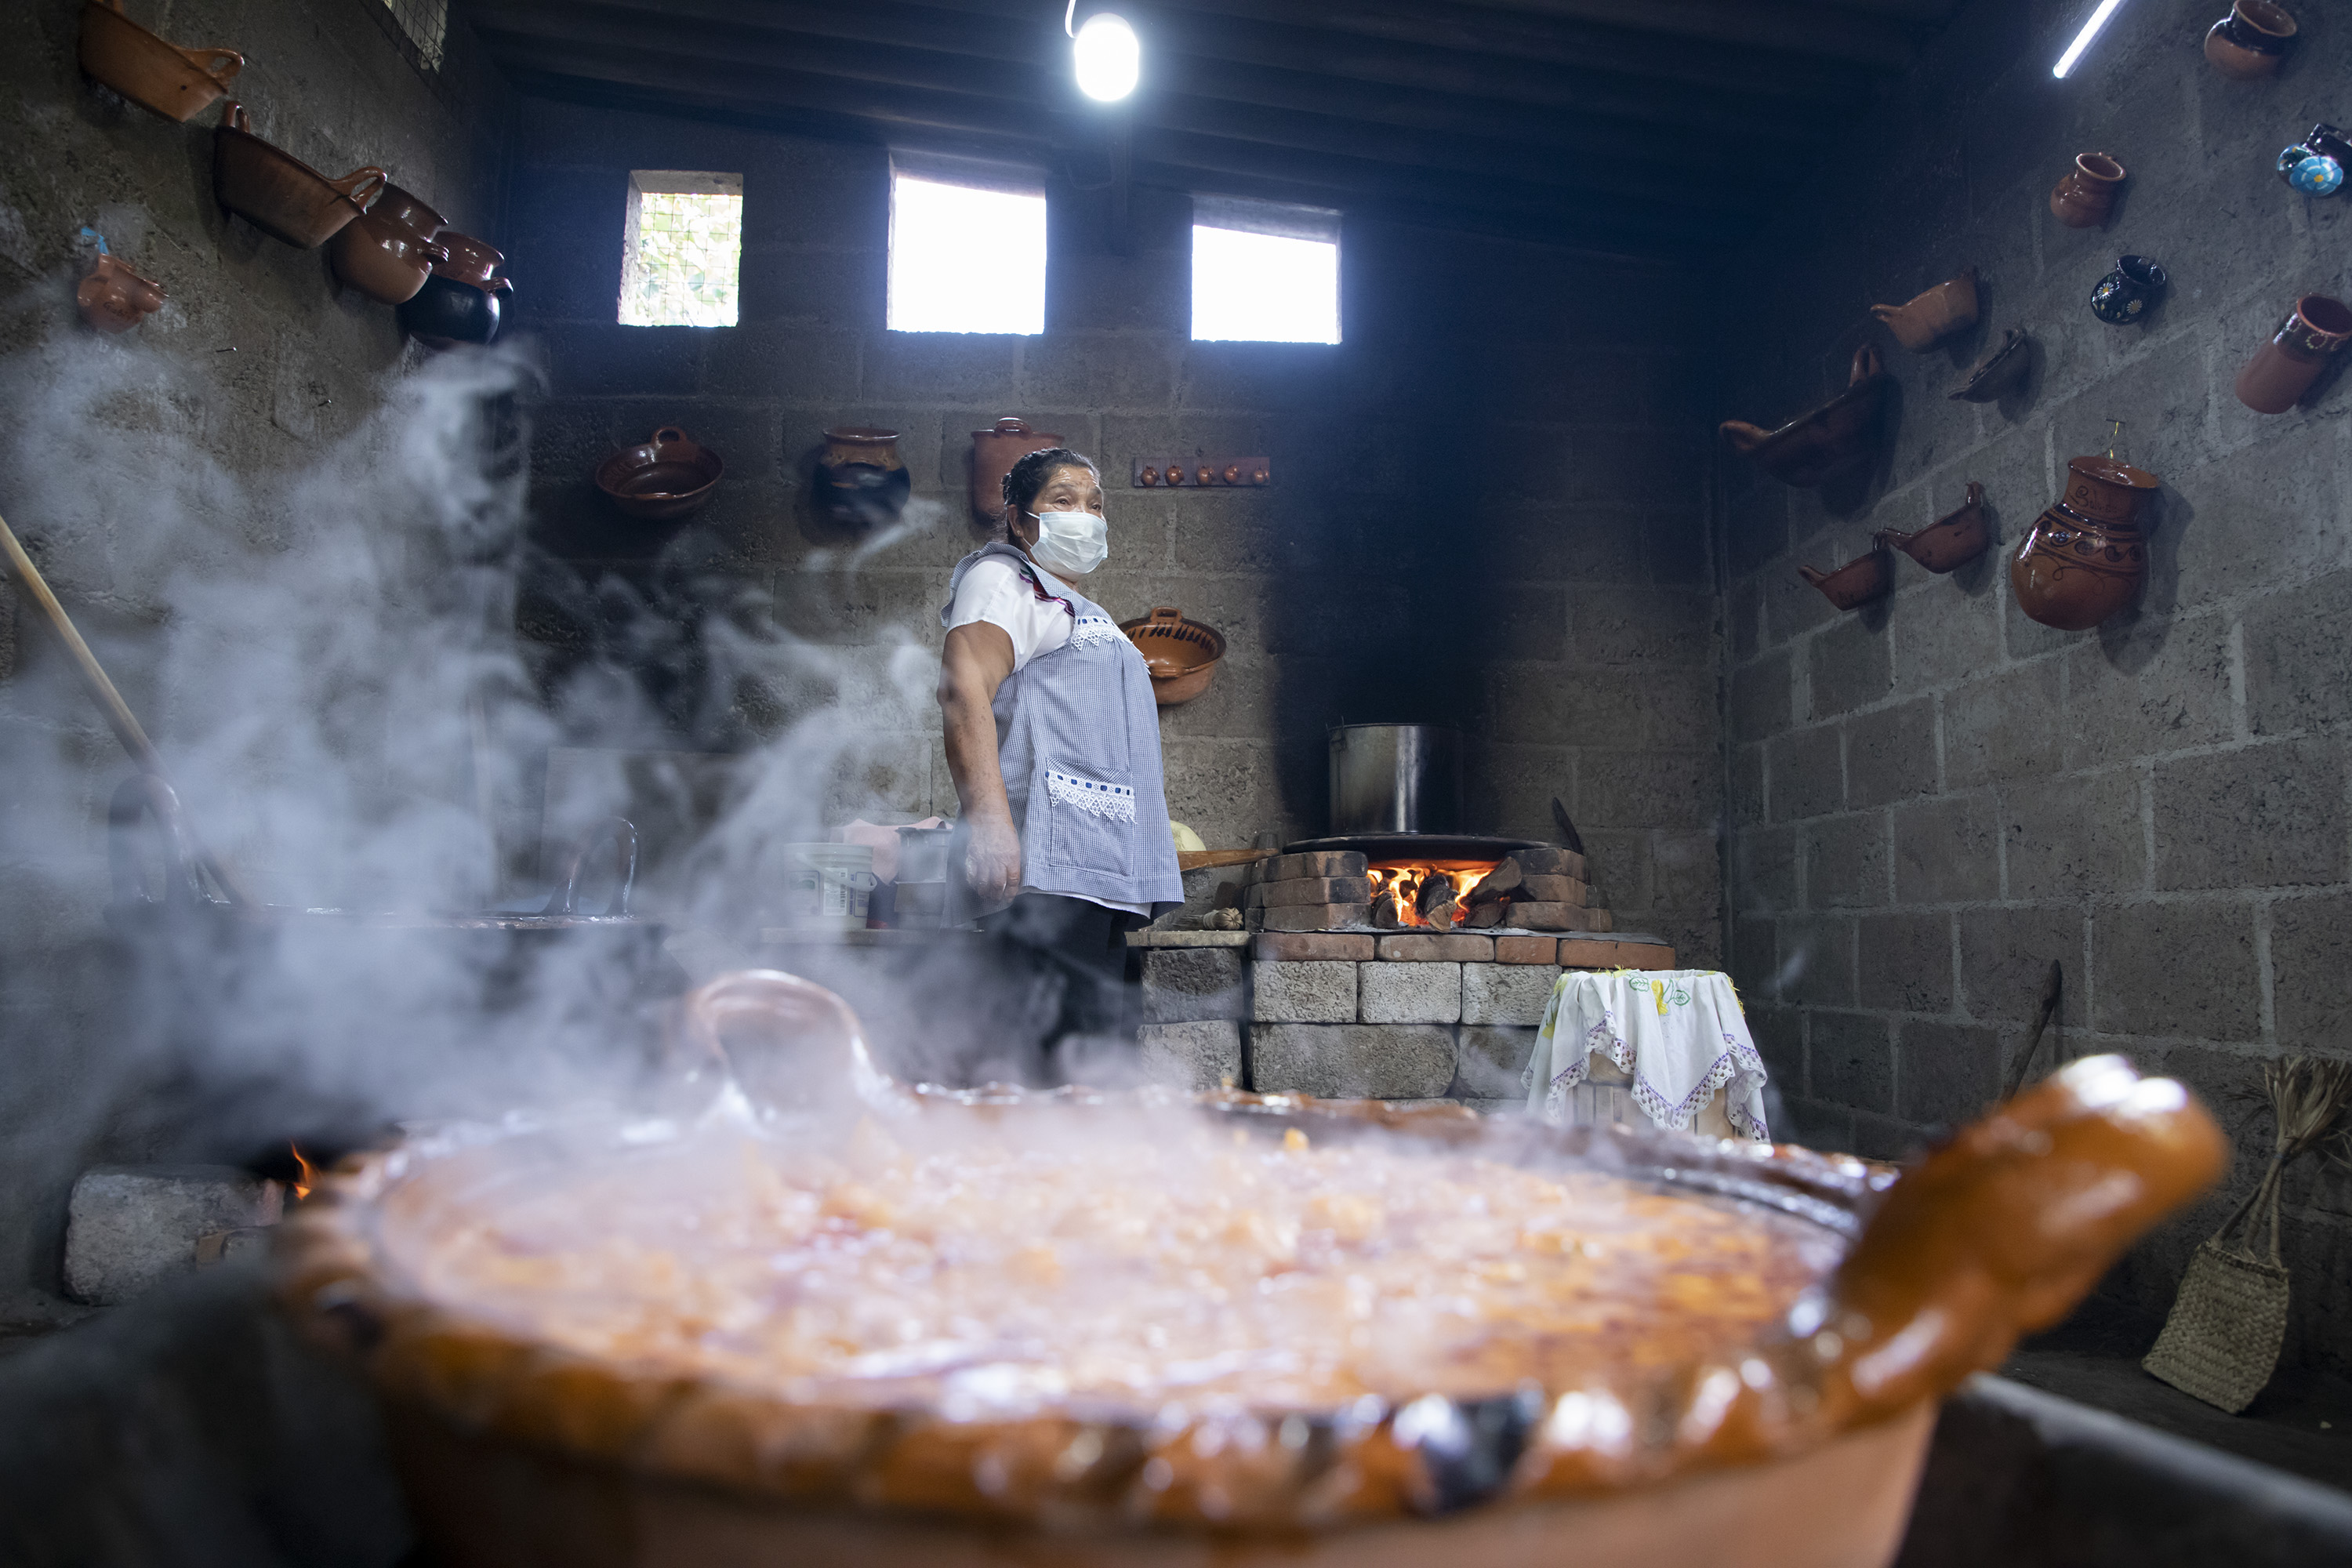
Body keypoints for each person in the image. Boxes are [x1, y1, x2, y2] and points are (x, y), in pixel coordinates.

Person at [936, 447, 1183, 1080]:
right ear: (1020, 520)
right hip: (1044, 872)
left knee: (1088, 1076)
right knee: (1041, 1074)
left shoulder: (1070, 604)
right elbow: (963, 689)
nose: (1086, 517)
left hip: (1093, 874)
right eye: (1064, 501)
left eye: (1095, 505)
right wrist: (989, 824)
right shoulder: (1003, 579)